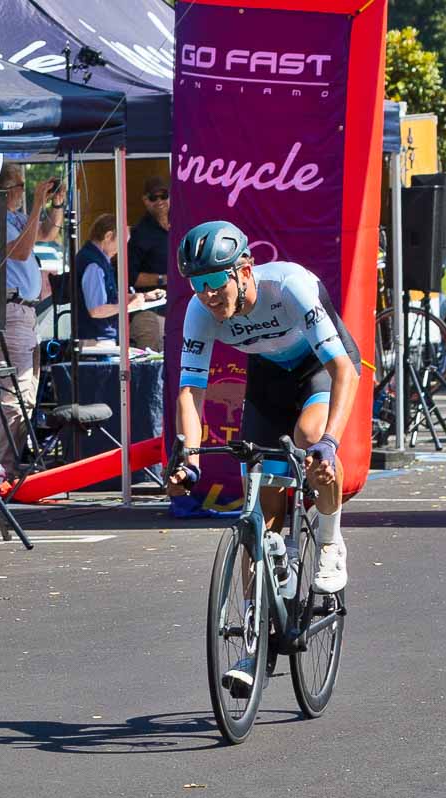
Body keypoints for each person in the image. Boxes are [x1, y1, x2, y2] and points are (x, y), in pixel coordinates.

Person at [166, 220, 359, 694]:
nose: (208, 294)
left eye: (216, 281)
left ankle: (331, 542)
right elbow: (190, 391)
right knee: (261, 522)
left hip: (320, 370)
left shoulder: (290, 287)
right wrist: (187, 457)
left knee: (309, 440)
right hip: (270, 382)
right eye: (198, 283)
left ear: (245, 270)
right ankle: (256, 649)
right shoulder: (199, 311)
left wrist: (329, 443)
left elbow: (344, 371)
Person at [0, 162, 65, 479]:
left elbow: (47, 234)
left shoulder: (16, 217)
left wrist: (55, 203)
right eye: (20, 185)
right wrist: (37, 202)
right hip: (11, 310)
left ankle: (6, 467)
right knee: (13, 397)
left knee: (27, 394)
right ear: (6, 190)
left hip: (26, 311)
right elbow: (21, 251)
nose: (23, 191)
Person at [75, 213, 164, 345]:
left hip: (98, 337)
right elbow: (96, 310)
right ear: (108, 236)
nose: (122, 249)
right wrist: (128, 307)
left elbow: (106, 297)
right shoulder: (93, 264)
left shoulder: (97, 260)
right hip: (96, 339)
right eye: (121, 243)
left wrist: (143, 296)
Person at [126, 176, 171, 351]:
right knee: (154, 365)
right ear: (145, 200)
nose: (159, 201)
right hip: (152, 312)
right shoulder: (140, 233)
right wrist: (165, 279)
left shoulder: (183, 223)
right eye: (153, 197)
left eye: (164, 196)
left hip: (184, 307)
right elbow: (131, 277)